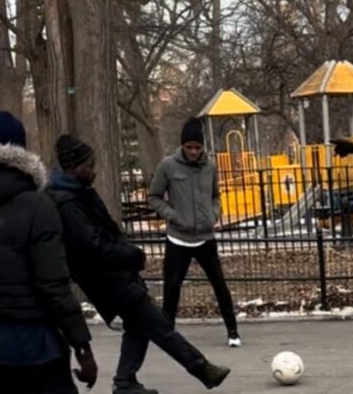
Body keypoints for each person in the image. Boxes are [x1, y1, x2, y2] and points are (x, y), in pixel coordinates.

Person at [45, 135, 231, 393]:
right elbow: (94, 246)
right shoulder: (69, 203)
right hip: (107, 277)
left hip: (113, 274)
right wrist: (130, 254)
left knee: (137, 326)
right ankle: (201, 367)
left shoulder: (77, 193)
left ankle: (125, 381)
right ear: (74, 166)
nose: (93, 170)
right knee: (156, 324)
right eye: (89, 165)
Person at [0, 111, 97, 393]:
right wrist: (81, 344)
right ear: (19, 149)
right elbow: (53, 283)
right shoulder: (37, 206)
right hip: (36, 342)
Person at [148, 118, 241, 347]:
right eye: (189, 147)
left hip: (205, 237)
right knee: (172, 286)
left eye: (197, 147)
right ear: (182, 146)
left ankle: (233, 331)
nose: (193, 151)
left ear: (202, 147)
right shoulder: (168, 166)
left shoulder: (210, 167)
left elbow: (216, 195)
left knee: (219, 284)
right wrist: (172, 216)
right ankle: (167, 334)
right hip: (178, 237)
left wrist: (214, 214)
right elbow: (154, 197)